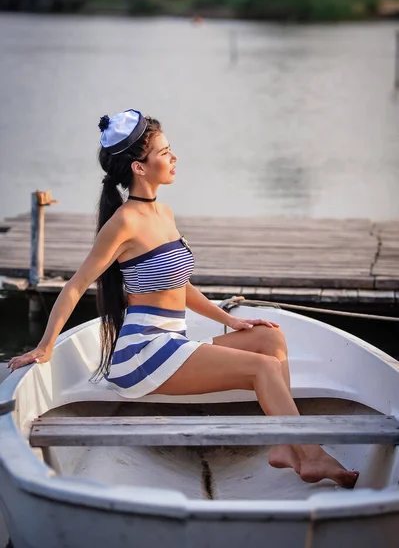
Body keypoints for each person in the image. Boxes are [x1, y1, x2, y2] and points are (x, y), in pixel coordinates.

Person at [8, 108, 359, 489]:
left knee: (270, 339)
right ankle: (309, 454)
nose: (174, 158)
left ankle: (284, 445)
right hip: (143, 353)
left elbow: (180, 285)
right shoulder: (125, 222)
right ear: (140, 168)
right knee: (264, 368)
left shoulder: (164, 212)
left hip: (173, 344)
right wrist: (45, 347)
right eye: (164, 152)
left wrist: (232, 321)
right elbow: (76, 285)